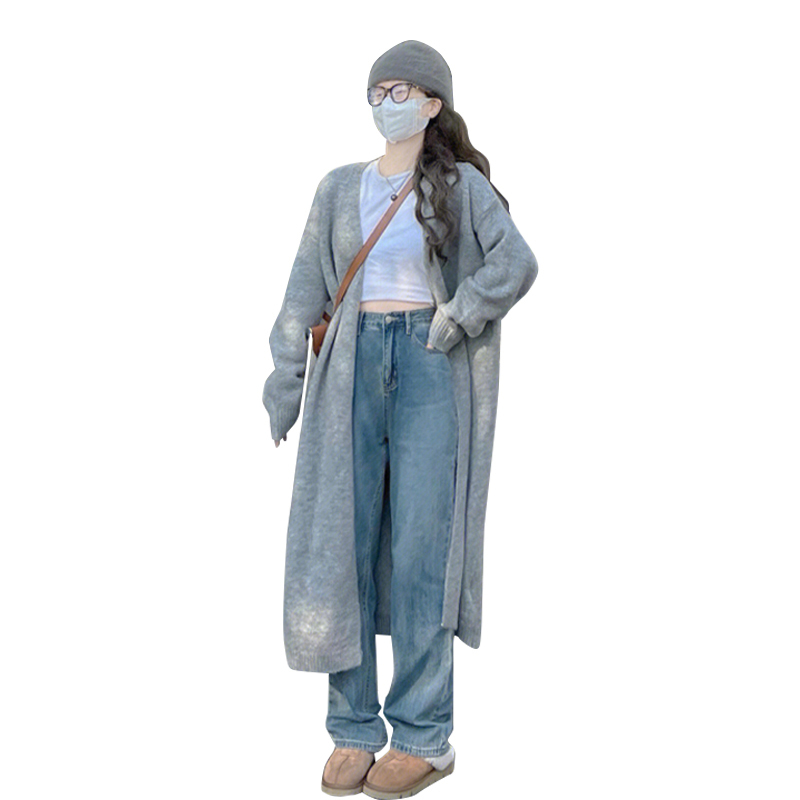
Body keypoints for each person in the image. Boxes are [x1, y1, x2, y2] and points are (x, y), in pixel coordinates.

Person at [262, 40, 538, 798]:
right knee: (342, 544)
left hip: (426, 363)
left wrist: (456, 316)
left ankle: (423, 737)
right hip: (349, 366)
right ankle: (353, 729)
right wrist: (285, 382)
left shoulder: (461, 188)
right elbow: (302, 293)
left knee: (422, 548)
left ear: (432, 103)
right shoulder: (337, 188)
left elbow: (515, 262)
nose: (387, 102)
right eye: (377, 90)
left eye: (401, 90)